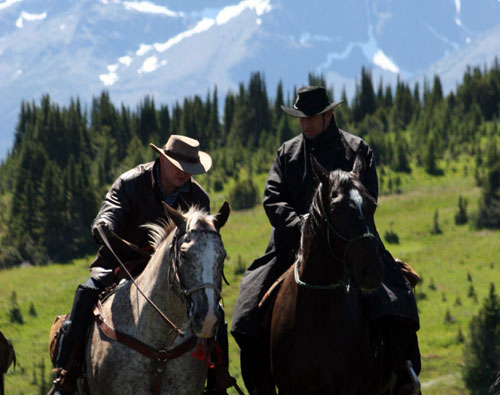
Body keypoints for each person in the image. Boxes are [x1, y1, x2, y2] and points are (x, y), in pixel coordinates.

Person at [231, 86, 421, 395]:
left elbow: (368, 197)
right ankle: (259, 384)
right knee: (248, 308)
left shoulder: (356, 150)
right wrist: (301, 224)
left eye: (312, 118)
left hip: (351, 241)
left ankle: (405, 372)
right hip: (292, 243)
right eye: (301, 119)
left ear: (328, 115)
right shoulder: (287, 152)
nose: (305, 125)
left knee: (396, 294)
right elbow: (272, 200)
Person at [48, 135, 230, 395]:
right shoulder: (131, 182)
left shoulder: (198, 196)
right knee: (86, 294)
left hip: (173, 273)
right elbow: (111, 209)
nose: (183, 174)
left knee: (215, 311)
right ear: (162, 159)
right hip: (122, 261)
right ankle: (66, 376)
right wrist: (105, 224)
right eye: (178, 166)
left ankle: (216, 378)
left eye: (189, 169)